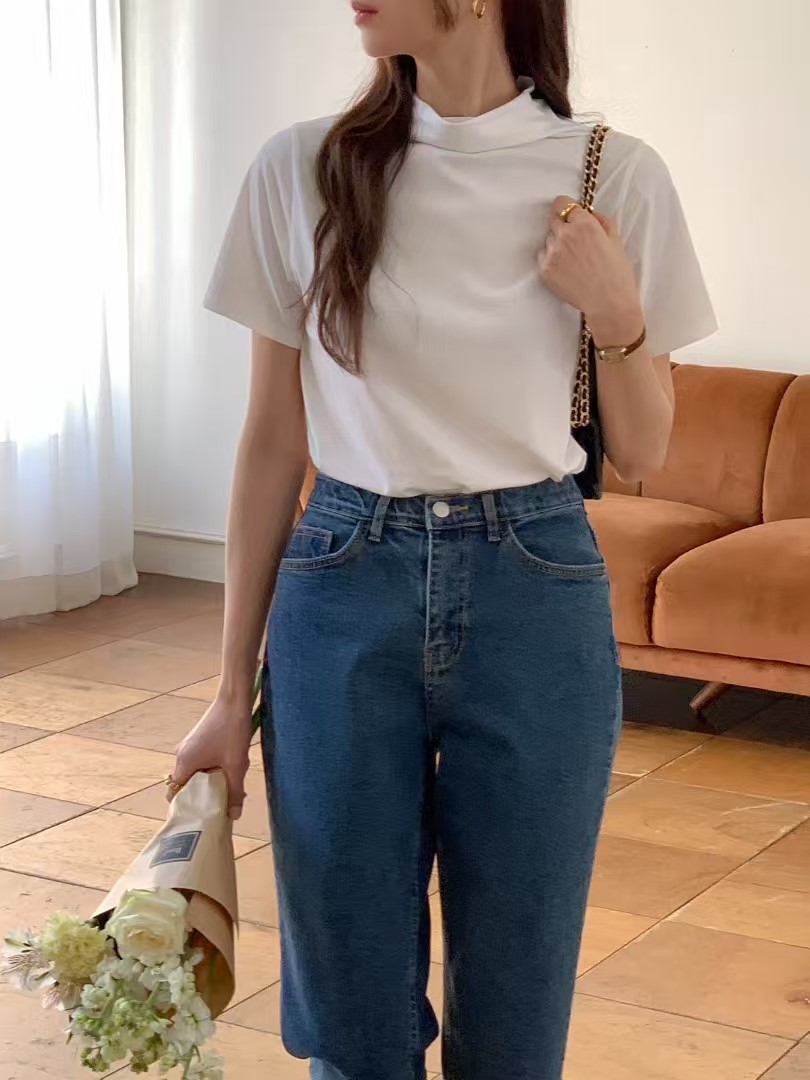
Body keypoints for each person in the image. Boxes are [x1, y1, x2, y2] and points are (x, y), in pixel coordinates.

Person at [170, 1, 717, 1077]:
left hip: (535, 588)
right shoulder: (303, 169)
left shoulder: (616, 175)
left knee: (517, 1003)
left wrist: (616, 313)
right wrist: (230, 693)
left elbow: (646, 452)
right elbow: (273, 441)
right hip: (342, 578)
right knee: (349, 1006)